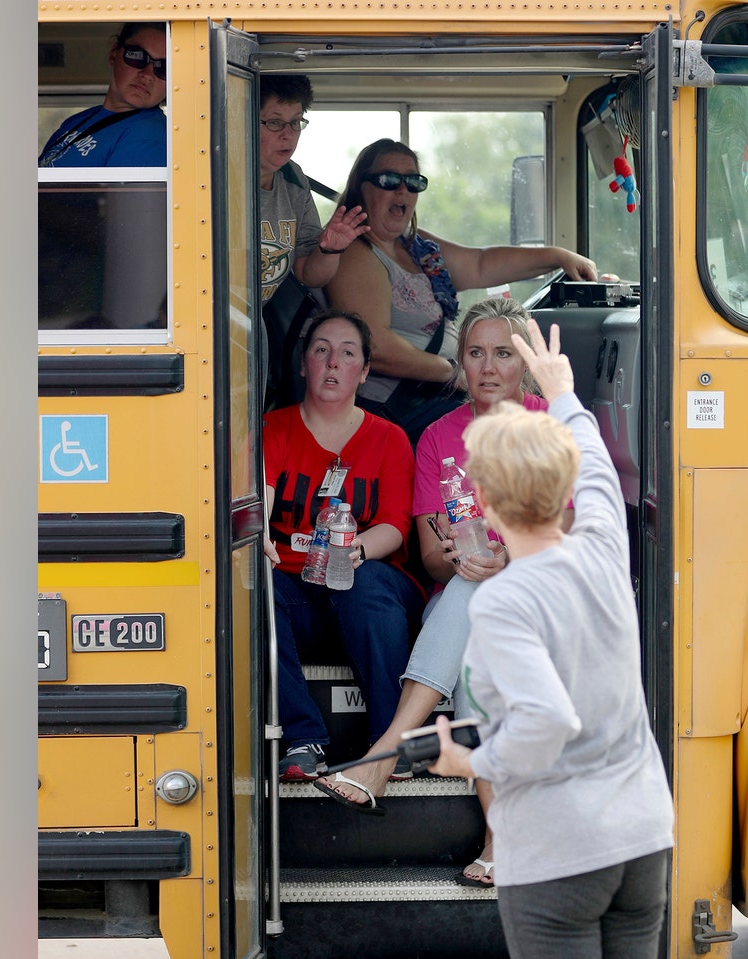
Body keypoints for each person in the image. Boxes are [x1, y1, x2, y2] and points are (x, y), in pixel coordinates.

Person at [428, 319, 674, 959]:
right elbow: (598, 469)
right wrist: (563, 394)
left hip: (561, 849)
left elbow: (543, 722)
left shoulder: (504, 602)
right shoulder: (604, 549)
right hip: (642, 839)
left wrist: (466, 758)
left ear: (490, 500)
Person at [313, 298, 570, 882]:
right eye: (475, 353)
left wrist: (512, 552)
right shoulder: (436, 438)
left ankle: (388, 752)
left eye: (503, 354)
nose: (488, 367)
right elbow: (430, 561)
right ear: (460, 361)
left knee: (485, 605)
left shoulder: (549, 423)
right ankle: (499, 843)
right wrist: (461, 559)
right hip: (472, 606)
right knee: (477, 621)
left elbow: (570, 533)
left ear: (522, 364)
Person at [326, 138, 603, 443]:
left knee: (538, 421)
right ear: (361, 188)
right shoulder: (356, 254)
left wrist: (559, 257)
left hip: (439, 394)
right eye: (389, 180)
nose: (403, 190)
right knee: (522, 435)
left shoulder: (415, 245)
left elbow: (481, 264)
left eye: (414, 182)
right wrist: (452, 372)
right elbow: (373, 347)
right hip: (401, 409)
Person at [262, 311, 425, 783]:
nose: (333, 363)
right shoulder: (273, 429)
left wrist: (354, 552)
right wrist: (263, 543)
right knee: (256, 584)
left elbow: (396, 524)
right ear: (303, 364)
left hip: (368, 595)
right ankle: (302, 739)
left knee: (366, 581)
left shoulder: (390, 438)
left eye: (347, 353)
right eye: (321, 350)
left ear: (365, 371)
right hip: (296, 592)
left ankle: (390, 744)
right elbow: (264, 498)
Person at [258, 74, 368, 303]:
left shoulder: (293, 178)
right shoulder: (218, 178)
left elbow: (309, 274)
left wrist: (330, 249)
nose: (287, 134)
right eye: (275, 122)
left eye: (295, 122)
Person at [39, 24, 167, 167]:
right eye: (137, 56)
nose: (147, 75)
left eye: (164, 67)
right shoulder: (77, 120)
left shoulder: (150, 135)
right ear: (114, 54)